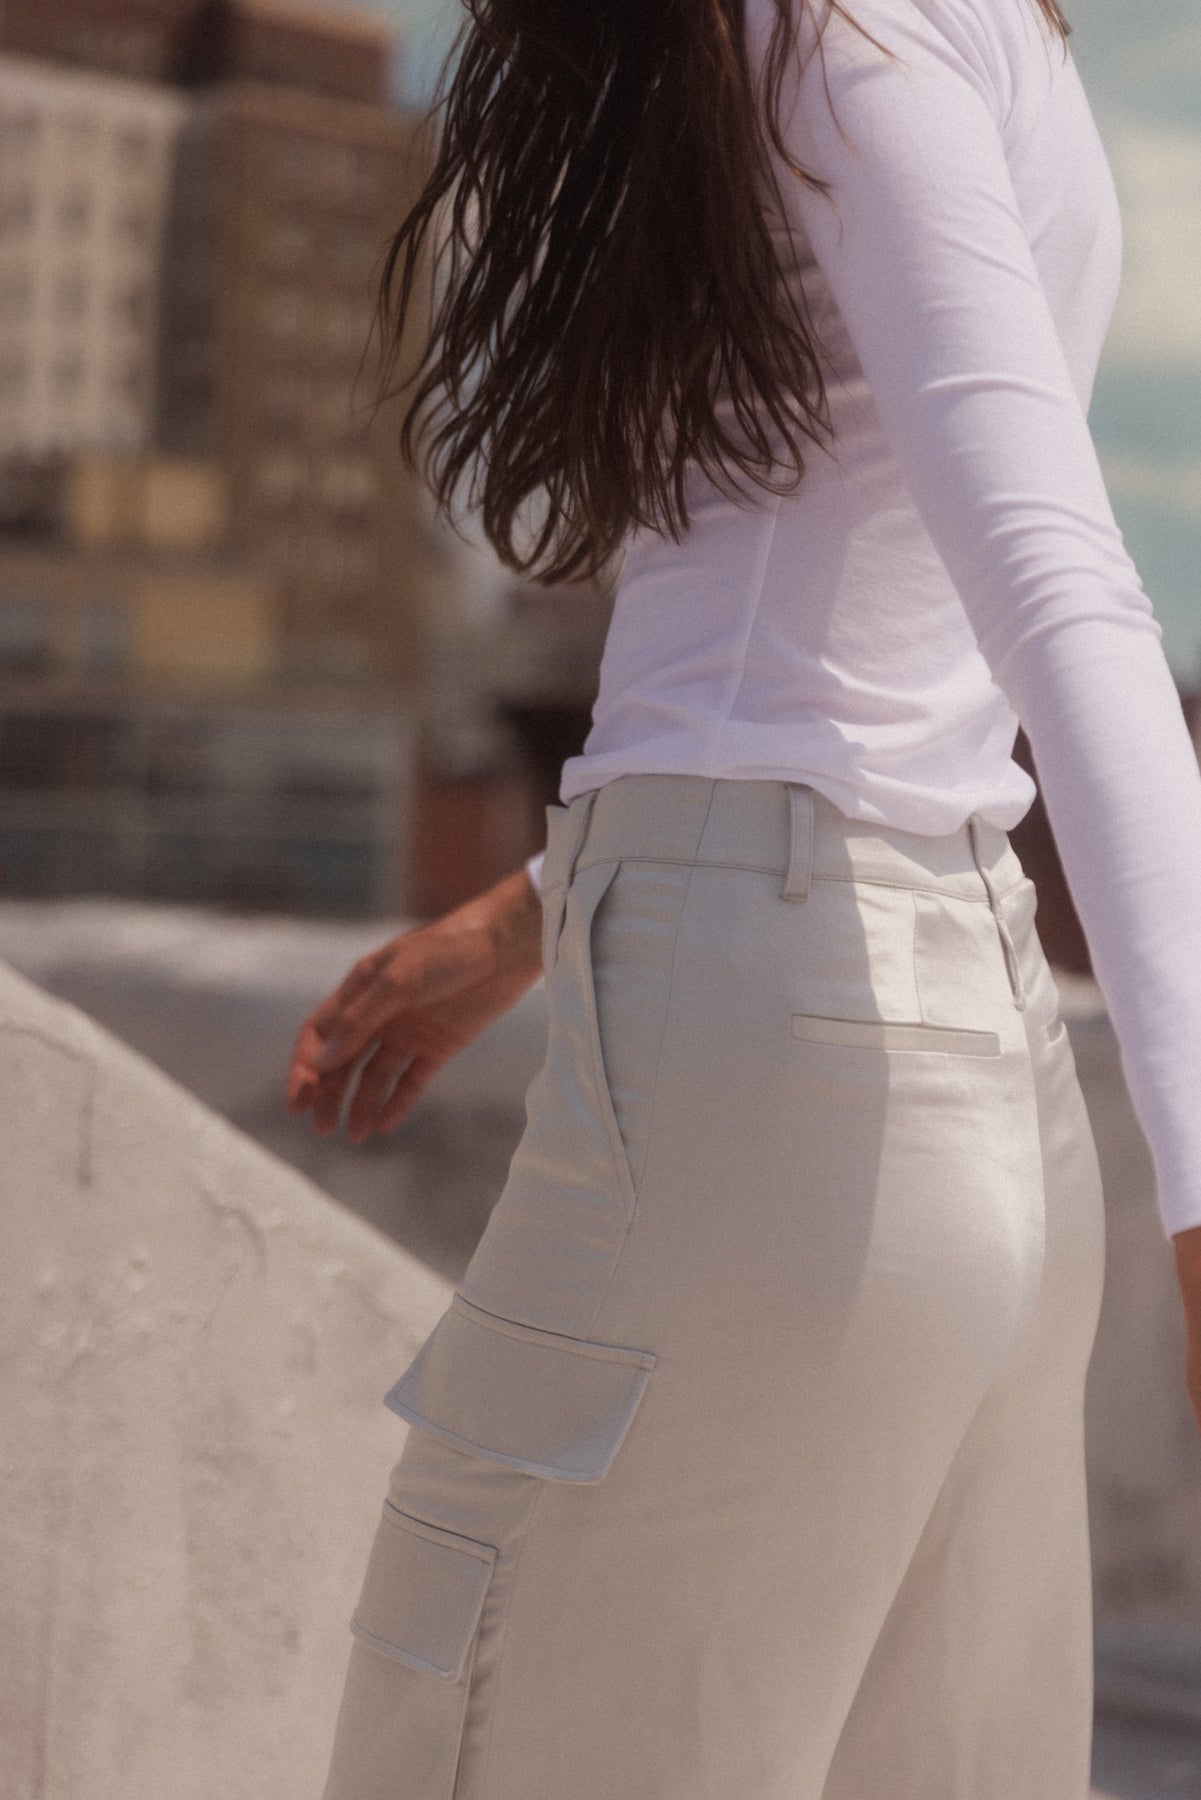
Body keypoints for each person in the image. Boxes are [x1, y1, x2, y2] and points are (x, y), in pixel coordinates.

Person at [288, 0, 1201, 1793]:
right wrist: (536, 911)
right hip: (961, 1070)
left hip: (775, 1083)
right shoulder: (970, 35)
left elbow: (1056, 589)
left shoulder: (842, 33)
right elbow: (870, 645)